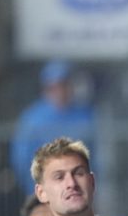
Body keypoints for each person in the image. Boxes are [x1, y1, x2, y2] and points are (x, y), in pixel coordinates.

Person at [10, 61, 96, 194]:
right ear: (46, 89)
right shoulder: (32, 118)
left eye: (63, 85)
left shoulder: (84, 115)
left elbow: (95, 154)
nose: (60, 91)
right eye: (54, 87)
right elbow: (21, 157)